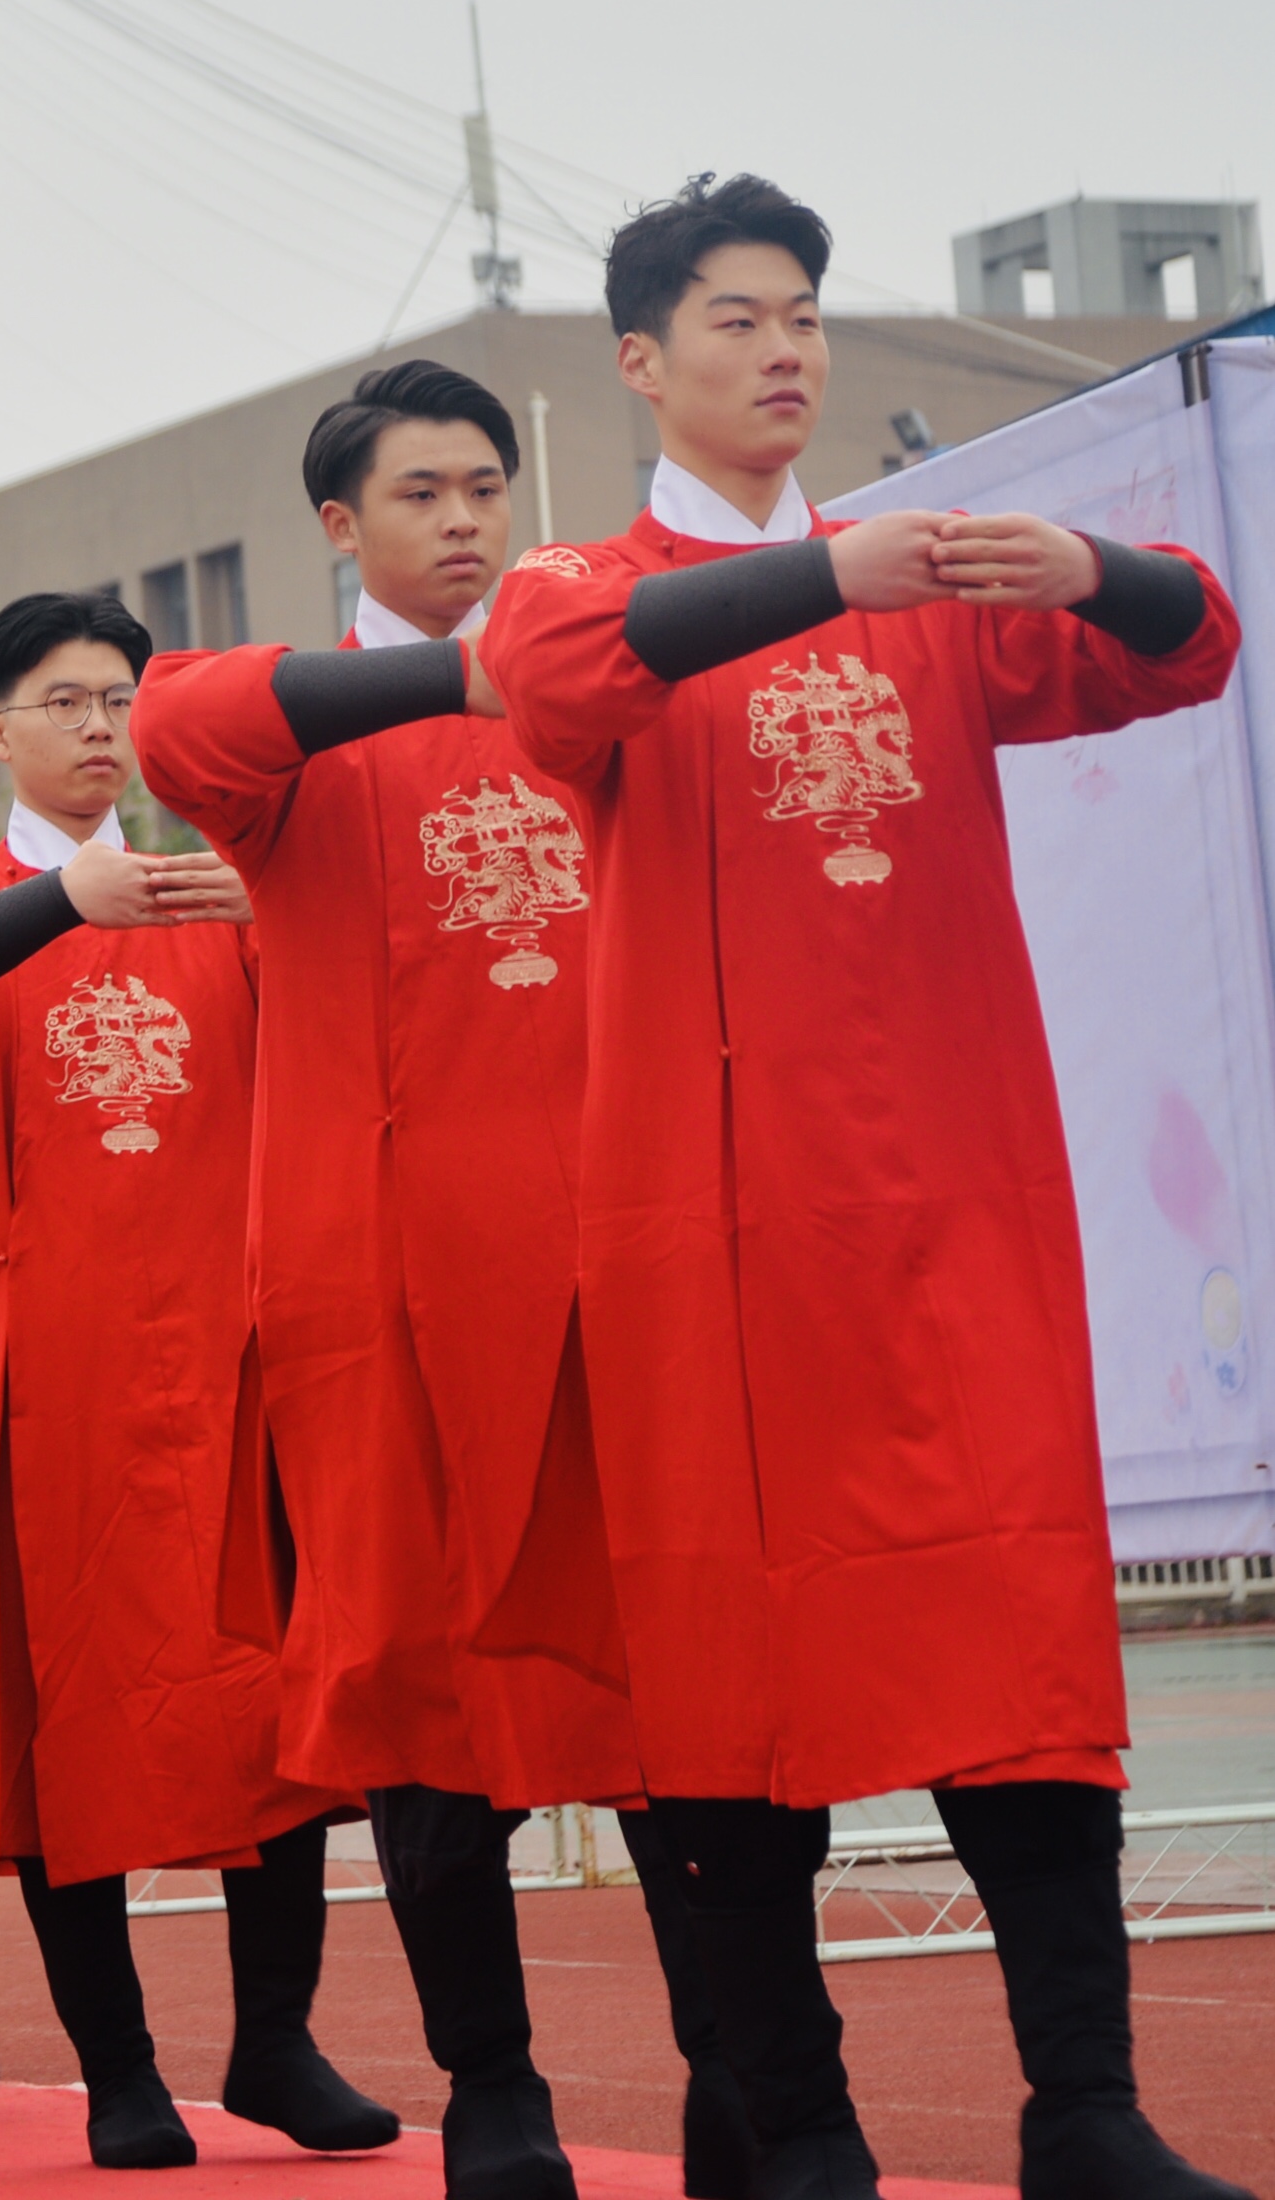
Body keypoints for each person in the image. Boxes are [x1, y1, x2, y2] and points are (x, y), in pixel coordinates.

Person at [479, 174, 1249, 2200]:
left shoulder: (936, 586)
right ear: (639, 360)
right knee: (730, 1685)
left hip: (952, 1213)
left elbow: (1188, 639)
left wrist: (1079, 558)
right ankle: (799, 2125)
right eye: (735, 320)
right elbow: (554, 688)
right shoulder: (583, 581)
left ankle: (1081, 2107)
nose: (784, 351)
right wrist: (834, 575)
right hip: (712, 1244)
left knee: (1019, 1656)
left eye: (803, 315)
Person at [135, 358, 746, 2200]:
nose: (464, 517)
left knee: (670, 1680)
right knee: (413, 1681)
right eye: (419, 492)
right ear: (339, 525)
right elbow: (177, 719)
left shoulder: (598, 699)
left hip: (606, 1262)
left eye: (485, 484)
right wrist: (458, 676)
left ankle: (739, 2076)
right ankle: (492, 2084)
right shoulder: (284, 743)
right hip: (378, 1287)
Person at [0, 594, 396, 2170]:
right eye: (62, 701)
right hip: (47, 1392)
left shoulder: (217, 893)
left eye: (117, 701)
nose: (96, 726)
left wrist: (263, 913)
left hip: (231, 1370)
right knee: (70, 1731)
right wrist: (60, 902)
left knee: (275, 1719)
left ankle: (273, 2042)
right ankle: (123, 2069)